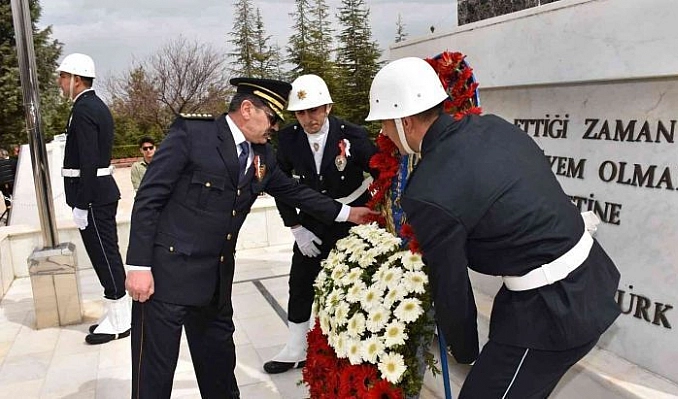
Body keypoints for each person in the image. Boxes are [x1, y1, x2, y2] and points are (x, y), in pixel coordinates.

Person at [366, 57, 621, 398]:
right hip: (593, 277)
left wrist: (467, 352)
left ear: (406, 121)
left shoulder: (427, 190)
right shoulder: (494, 127)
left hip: (552, 312)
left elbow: (452, 286)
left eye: (384, 124)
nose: (383, 133)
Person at [125, 77, 376, 399]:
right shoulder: (193, 136)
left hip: (214, 280)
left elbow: (294, 191)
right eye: (271, 118)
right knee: (154, 374)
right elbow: (149, 198)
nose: (274, 127)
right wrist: (138, 265)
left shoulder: (263, 157)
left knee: (219, 367)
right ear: (247, 109)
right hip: (167, 276)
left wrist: (347, 213)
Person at [263, 74, 377, 374]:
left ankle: (357, 346)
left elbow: (380, 170)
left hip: (352, 220)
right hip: (311, 222)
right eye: (301, 112)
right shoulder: (287, 140)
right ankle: (295, 347)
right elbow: (280, 185)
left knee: (355, 285)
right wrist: (295, 228)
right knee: (300, 283)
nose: (308, 118)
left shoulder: (352, 134)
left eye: (314, 110)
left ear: (327, 107)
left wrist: (378, 211)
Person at [57, 53, 130, 345]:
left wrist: (81, 203)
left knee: (104, 255)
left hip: (94, 196)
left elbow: (88, 160)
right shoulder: (90, 106)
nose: (61, 83)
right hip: (97, 194)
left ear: (76, 79)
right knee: (105, 253)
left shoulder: (85, 109)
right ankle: (116, 311)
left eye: (63, 77)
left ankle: (120, 317)